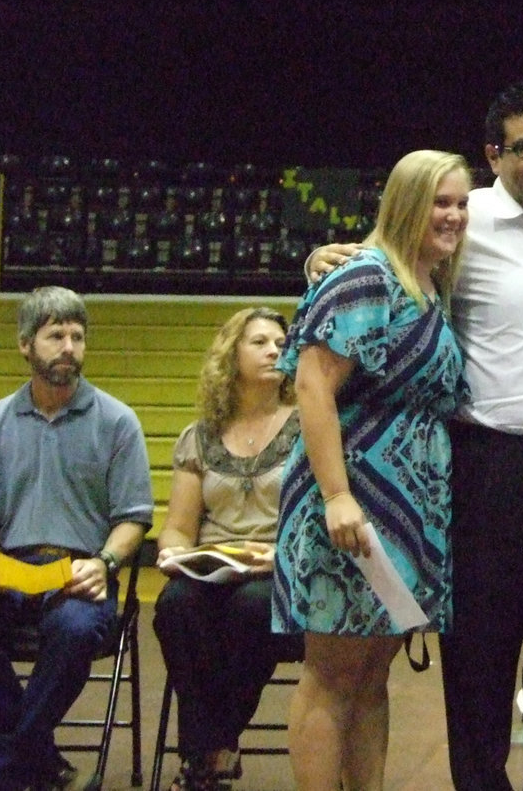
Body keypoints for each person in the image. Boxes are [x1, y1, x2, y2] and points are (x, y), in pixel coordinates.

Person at [308, 82, 523, 790]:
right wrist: (323, 262)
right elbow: (379, 267)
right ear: (494, 155)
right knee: (478, 662)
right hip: (487, 472)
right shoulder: (461, 222)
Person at [273, 149, 471, 791]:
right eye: (441, 201)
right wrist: (336, 496)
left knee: (370, 676)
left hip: (404, 517)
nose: (454, 215)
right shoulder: (367, 276)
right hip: (351, 510)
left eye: (462, 203)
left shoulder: (428, 285)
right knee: (331, 675)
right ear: (405, 204)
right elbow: (311, 385)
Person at [0, 286, 153, 791]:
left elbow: (133, 518)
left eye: (78, 336)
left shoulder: (118, 422)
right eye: (55, 335)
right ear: (26, 345)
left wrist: (104, 561)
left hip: (78, 571)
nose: (69, 347)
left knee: (74, 630)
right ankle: (39, 764)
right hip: (9, 568)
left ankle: (2, 765)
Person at [152, 307, 302, 791]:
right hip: (213, 567)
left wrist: (277, 554)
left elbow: (314, 526)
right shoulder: (199, 436)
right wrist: (173, 553)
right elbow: (177, 528)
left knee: (251, 610)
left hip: (279, 568)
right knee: (174, 608)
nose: (274, 349)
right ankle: (215, 747)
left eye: (280, 341)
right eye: (258, 341)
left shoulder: (306, 428)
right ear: (230, 356)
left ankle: (207, 750)